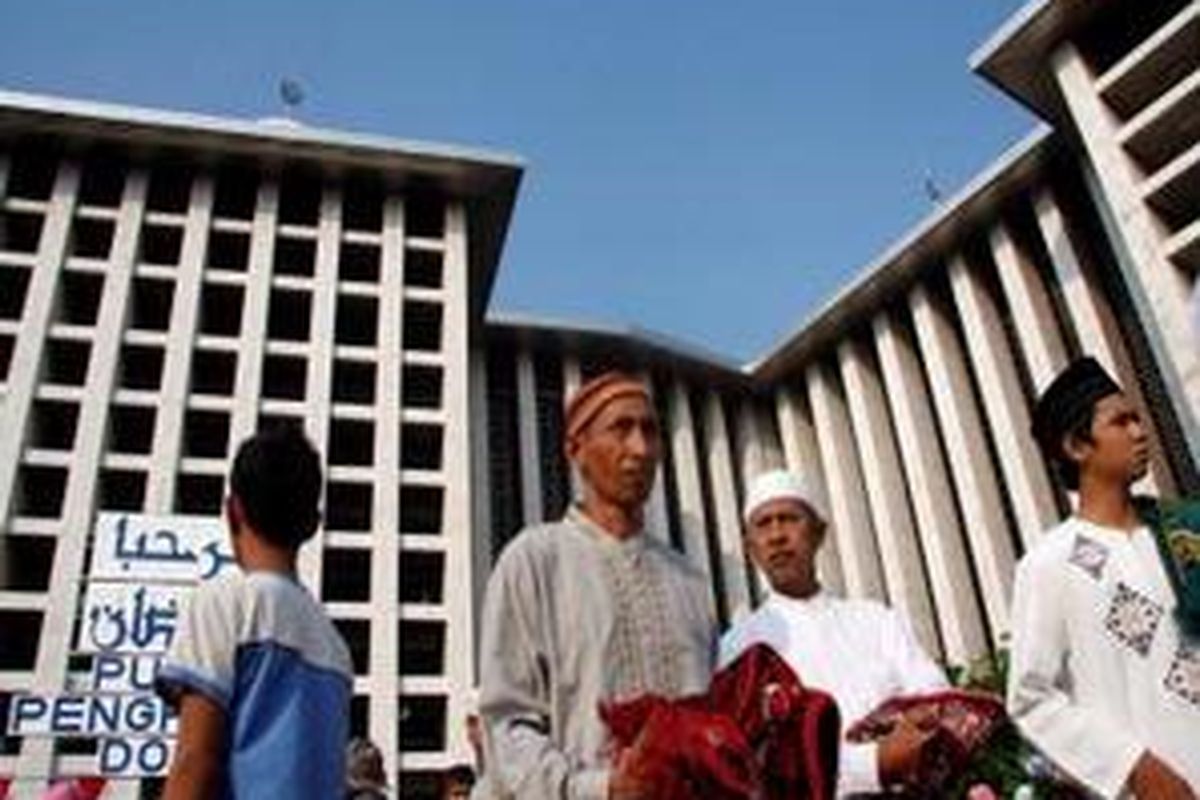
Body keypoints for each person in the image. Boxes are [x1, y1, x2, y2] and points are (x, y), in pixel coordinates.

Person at [476, 371, 717, 798]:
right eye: (621, 429)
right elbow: (507, 724)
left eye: (650, 431)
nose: (640, 449)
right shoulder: (533, 559)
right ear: (576, 450)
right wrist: (600, 788)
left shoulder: (690, 582)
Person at [1008, 357, 1200, 798]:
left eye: (1137, 417)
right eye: (1122, 421)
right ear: (1077, 446)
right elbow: (1031, 698)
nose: (1140, 431)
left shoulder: (1182, 534)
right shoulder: (1050, 563)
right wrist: (1134, 766)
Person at [720, 469, 947, 796]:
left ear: (818, 533)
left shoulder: (877, 620)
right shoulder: (739, 648)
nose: (777, 535)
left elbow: (932, 696)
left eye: (788, 519)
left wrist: (915, 731)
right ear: (750, 547)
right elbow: (756, 762)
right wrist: (873, 764)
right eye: (763, 524)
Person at [155, 426, 354, 799]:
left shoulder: (222, 603)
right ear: (313, 525)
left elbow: (195, 759)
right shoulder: (334, 645)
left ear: (232, 511)